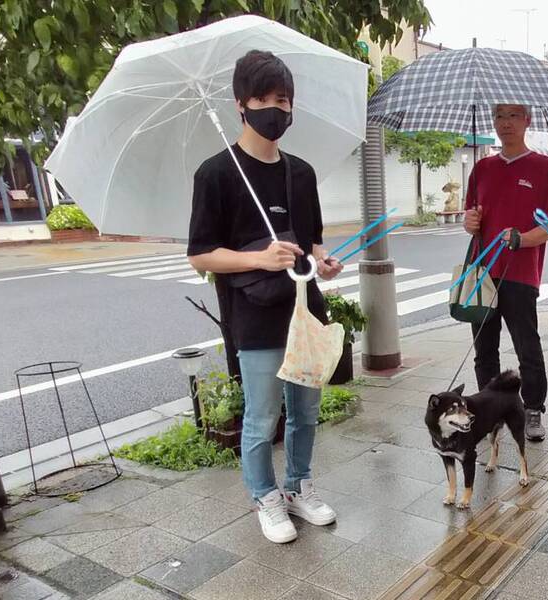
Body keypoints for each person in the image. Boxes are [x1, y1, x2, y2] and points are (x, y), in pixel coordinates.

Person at [187, 50, 343, 545]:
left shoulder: (301, 173)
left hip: (305, 309)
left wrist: (323, 259)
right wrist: (258, 258)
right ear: (240, 104)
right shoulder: (216, 173)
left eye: (283, 100)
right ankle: (264, 496)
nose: (276, 110)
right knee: (262, 415)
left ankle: (298, 486)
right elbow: (200, 256)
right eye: (264, 100)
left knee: (306, 410)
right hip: (254, 316)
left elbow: (312, 240)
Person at [463, 104, 548, 441]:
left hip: (521, 274)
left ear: (527, 121)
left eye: (514, 115)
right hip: (482, 273)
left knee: (527, 347)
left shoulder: (545, 167)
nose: (505, 123)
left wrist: (522, 239)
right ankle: (489, 409)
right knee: (484, 349)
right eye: (500, 116)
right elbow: (471, 220)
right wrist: (469, 222)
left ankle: (532, 410)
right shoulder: (481, 168)